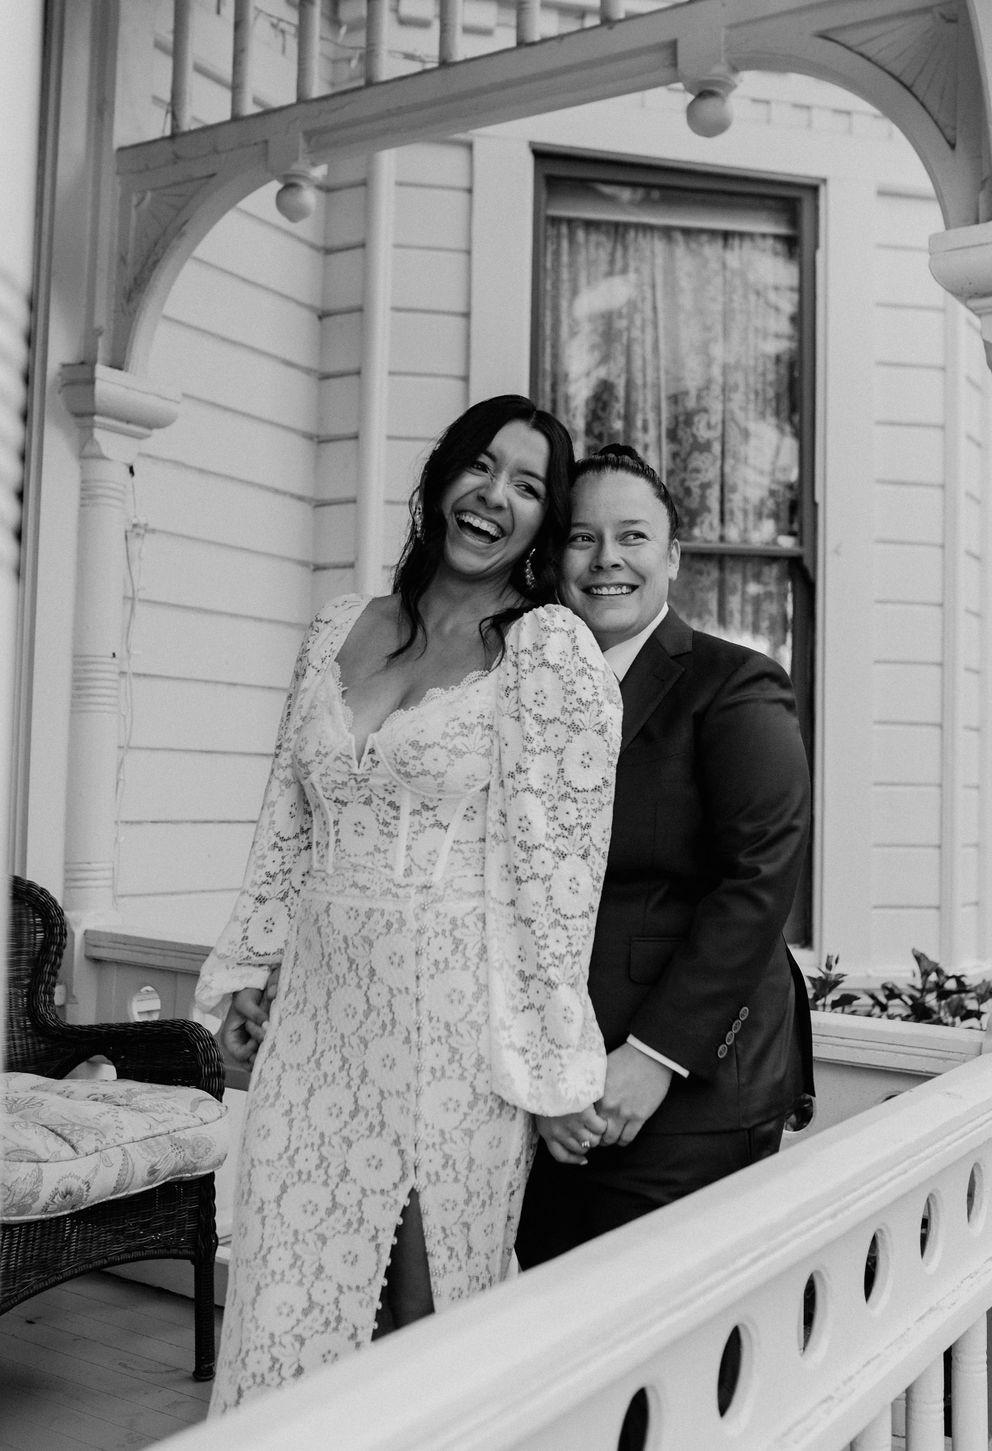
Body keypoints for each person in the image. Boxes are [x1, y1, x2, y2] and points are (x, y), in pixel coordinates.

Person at [194, 396, 621, 1414]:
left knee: (427, 1316)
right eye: (481, 465)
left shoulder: (547, 650)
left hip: (452, 1033)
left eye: (528, 485)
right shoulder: (338, 626)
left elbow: (560, 878)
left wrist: (553, 1063)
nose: (495, 496)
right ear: (440, 476)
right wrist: (253, 969)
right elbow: (287, 820)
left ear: (543, 521)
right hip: (316, 1023)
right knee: (282, 1290)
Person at [516, 442, 814, 1267]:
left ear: (673, 556)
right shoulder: (526, 693)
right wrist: (543, 1075)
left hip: (687, 1098)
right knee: (554, 1320)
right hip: (551, 1096)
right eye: (581, 537)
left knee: (664, 1330)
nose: (606, 558)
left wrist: (652, 1059)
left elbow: (759, 881)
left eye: (633, 535)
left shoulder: (735, 685)